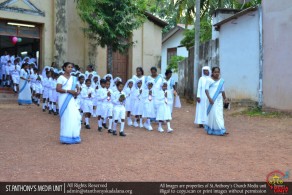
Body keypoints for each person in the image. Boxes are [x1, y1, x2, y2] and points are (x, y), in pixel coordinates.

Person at [56, 62, 81, 144]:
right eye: (68, 67)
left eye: (71, 67)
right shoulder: (61, 77)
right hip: (64, 99)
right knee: (67, 117)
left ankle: (74, 136)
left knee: (75, 116)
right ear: (64, 68)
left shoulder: (74, 78)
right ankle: (66, 137)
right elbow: (58, 89)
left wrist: (78, 91)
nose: (70, 68)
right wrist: (68, 91)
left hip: (72, 99)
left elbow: (77, 87)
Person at [204, 67, 228, 136]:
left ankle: (221, 129)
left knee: (219, 114)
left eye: (218, 72)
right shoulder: (209, 80)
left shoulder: (221, 81)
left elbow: (222, 91)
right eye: (215, 72)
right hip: (211, 100)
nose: (217, 73)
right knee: (213, 114)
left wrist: (225, 99)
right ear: (212, 72)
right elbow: (206, 90)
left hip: (219, 100)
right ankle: (212, 129)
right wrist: (209, 99)